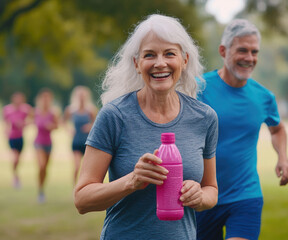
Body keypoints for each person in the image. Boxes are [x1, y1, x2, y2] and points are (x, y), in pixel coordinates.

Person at [74, 14, 219, 240]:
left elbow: (211, 189)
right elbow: (82, 200)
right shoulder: (114, 116)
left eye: (169, 53)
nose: (160, 63)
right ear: (137, 64)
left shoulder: (204, 118)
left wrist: (199, 196)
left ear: (184, 60)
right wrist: (131, 181)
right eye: (149, 55)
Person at [196, 19, 288, 240]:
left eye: (254, 52)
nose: (249, 58)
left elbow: (277, 129)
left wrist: (283, 158)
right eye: (242, 50)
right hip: (201, 197)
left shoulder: (264, 97)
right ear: (223, 50)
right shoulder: (197, 88)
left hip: (245, 195)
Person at [63, 86, 97, 185]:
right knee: (77, 167)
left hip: (88, 143)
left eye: (83, 96)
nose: (81, 98)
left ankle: (86, 187)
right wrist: (69, 130)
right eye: (79, 96)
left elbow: (97, 124)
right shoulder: (71, 110)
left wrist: (90, 127)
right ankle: (75, 188)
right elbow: (63, 122)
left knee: (87, 169)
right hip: (76, 142)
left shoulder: (90, 110)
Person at [2, 92, 33, 188]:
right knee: (15, 158)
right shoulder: (7, 110)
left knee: (18, 159)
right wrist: (6, 131)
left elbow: (33, 119)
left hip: (20, 137)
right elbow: (5, 122)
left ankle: (15, 175)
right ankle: (16, 177)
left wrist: (24, 124)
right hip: (12, 137)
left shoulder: (26, 109)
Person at [34, 88, 59, 203]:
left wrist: (51, 126)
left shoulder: (53, 113)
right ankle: (40, 190)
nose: (45, 100)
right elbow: (29, 121)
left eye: (47, 98)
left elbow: (57, 126)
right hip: (38, 143)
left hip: (48, 143)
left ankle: (42, 189)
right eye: (43, 98)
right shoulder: (36, 112)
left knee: (45, 169)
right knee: (42, 165)